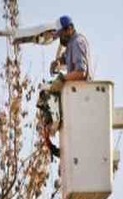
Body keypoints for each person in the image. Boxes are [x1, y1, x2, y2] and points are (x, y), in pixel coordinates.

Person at [38, 15, 91, 157]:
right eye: (59, 35)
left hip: (83, 96)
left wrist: (63, 78)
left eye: (62, 34)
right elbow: (67, 58)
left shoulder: (78, 42)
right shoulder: (71, 45)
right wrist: (58, 62)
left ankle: (54, 123)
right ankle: (52, 125)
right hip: (75, 96)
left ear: (70, 29)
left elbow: (81, 72)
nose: (61, 38)